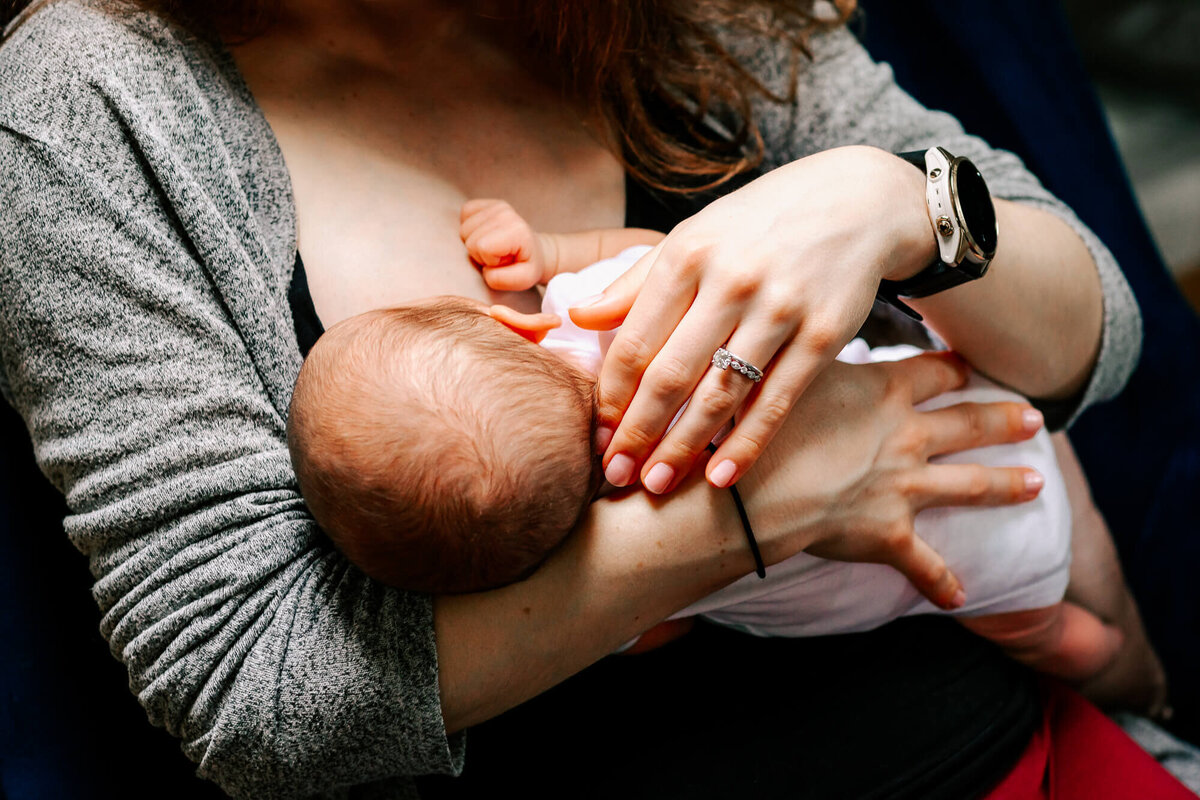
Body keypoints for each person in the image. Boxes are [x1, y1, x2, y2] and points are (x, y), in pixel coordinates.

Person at [0, 1, 1190, 798]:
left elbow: (1099, 333)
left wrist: (892, 203)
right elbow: (252, 689)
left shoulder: (675, 17)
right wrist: (772, 503)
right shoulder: (92, 95)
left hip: (1000, 751)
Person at [286, 204, 1145, 692]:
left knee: (1054, 643)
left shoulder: (605, 569)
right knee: (1040, 448)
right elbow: (663, 255)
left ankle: (1120, 675)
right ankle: (1149, 681)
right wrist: (553, 254)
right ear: (510, 320)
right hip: (971, 406)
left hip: (981, 576)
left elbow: (666, 632)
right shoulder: (601, 319)